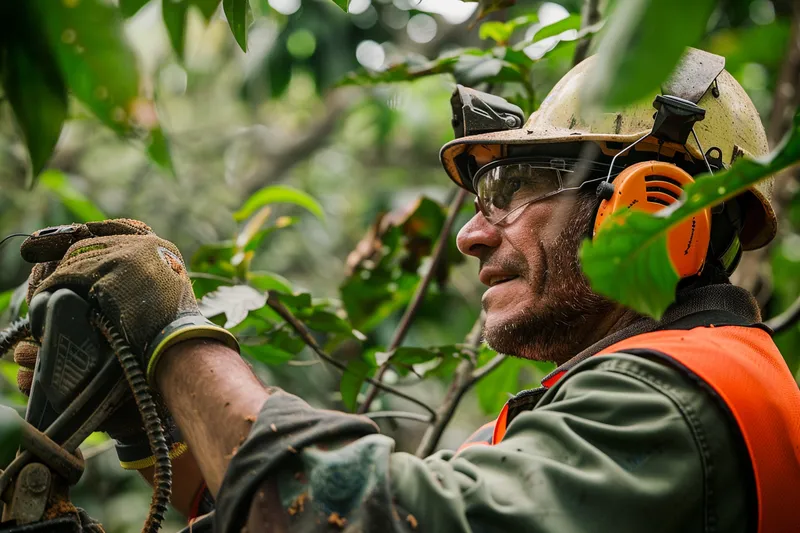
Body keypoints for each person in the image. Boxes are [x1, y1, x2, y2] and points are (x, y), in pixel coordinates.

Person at [14, 48, 800, 532]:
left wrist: (172, 337)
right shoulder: (617, 411)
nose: (471, 234)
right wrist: (155, 423)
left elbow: (359, 518)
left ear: (651, 205)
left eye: (517, 189)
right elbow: (296, 514)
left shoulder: (680, 402)